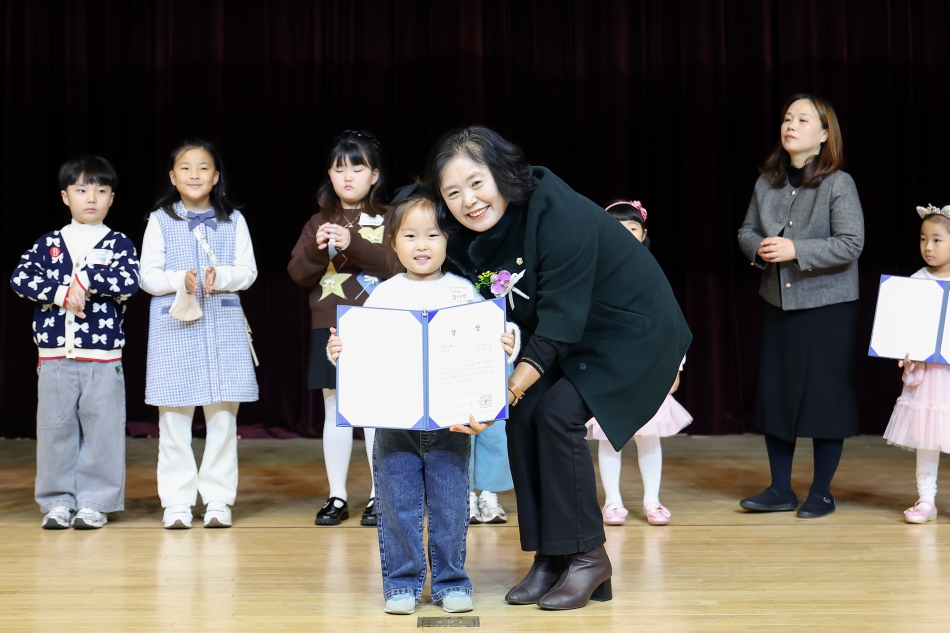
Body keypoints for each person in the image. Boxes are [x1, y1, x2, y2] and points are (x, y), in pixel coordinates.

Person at [425, 126, 691, 610]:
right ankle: (552, 555)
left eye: (477, 182)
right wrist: (489, 394)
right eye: (453, 193)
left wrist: (498, 396)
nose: (469, 200)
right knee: (525, 419)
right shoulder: (474, 239)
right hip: (574, 334)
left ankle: (589, 556)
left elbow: (561, 323)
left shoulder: (555, 208)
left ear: (502, 173)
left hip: (632, 331)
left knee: (554, 415)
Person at [327, 187, 518, 615]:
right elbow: (359, 348)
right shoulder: (383, 294)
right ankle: (401, 585)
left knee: (452, 507)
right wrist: (339, 351)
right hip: (395, 427)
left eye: (432, 235)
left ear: (448, 239)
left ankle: (452, 581)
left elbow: (494, 334)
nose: (421, 245)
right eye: (410, 236)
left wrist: (508, 341)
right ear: (392, 242)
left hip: (451, 426)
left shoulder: (465, 290)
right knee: (398, 508)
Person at [737, 94, 864, 519]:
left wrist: (795, 249)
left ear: (824, 135)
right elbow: (746, 231)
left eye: (803, 119)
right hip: (779, 302)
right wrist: (761, 247)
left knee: (826, 398)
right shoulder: (766, 182)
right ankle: (779, 489)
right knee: (778, 394)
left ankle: (821, 492)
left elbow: (851, 244)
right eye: (787, 118)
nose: (790, 124)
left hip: (829, 308)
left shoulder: (838, 183)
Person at [9, 155, 140, 530]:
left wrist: (86, 283)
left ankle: (96, 502)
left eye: (101, 190)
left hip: (102, 357)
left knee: (103, 431)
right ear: (66, 196)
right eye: (82, 189)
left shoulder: (119, 243)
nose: (91, 198)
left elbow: (130, 282)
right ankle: (56, 502)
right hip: (53, 357)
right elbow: (20, 279)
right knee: (55, 429)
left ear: (112, 198)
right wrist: (60, 291)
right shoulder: (49, 242)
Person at [140, 140, 258, 529]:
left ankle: (218, 500)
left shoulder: (233, 220)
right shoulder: (159, 220)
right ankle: (176, 501)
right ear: (173, 177)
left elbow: (248, 271)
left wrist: (219, 276)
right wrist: (180, 279)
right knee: (173, 417)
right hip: (175, 326)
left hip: (222, 324)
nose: (194, 174)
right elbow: (147, 276)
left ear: (216, 176)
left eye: (203, 167)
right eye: (185, 168)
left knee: (223, 417)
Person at [288, 130, 391, 526]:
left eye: (357, 167)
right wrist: (319, 249)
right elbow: (297, 273)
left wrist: (351, 243)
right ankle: (336, 496)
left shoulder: (389, 218)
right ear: (329, 175)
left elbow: (395, 265)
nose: (348, 177)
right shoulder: (318, 220)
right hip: (329, 325)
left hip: (378, 324)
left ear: (374, 174)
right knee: (335, 408)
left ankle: (378, 496)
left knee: (373, 412)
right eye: (339, 168)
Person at [585, 200, 692, 527]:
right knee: (609, 438)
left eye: (631, 229)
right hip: (612, 372)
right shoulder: (595, 276)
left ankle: (652, 500)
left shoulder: (652, 274)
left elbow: (672, 323)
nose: (625, 235)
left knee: (649, 438)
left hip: (647, 372)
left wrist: (676, 365)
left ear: (643, 233)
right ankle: (613, 502)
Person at [882, 204, 950, 523]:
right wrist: (906, 350)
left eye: (937, 240)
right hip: (932, 376)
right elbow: (908, 328)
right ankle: (926, 498)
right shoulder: (917, 280)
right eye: (924, 239)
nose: (928, 247)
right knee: (928, 433)